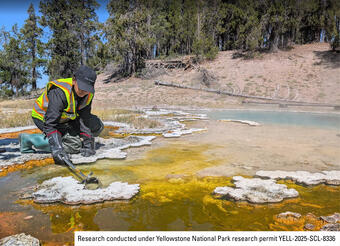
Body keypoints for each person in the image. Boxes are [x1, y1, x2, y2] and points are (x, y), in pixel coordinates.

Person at [20, 65, 104, 165]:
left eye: (87, 89)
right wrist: (57, 150)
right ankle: (29, 140)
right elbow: (51, 124)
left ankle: (68, 137)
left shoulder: (88, 93)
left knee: (97, 125)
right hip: (44, 118)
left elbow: (84, 118)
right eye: (81, 88)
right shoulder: (59, 91)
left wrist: (88, 143)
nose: (84, 92)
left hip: (65, 118)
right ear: (74, 80)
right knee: (74, 146)